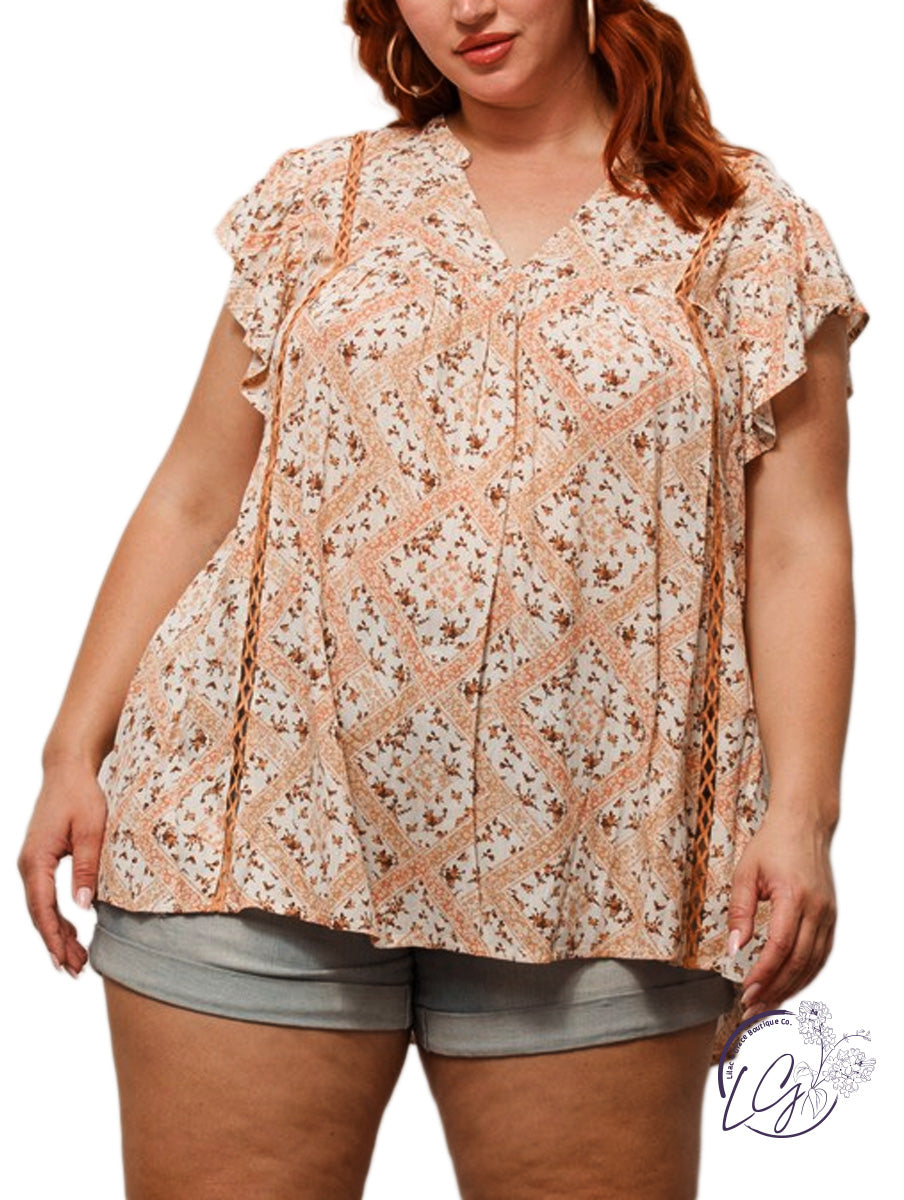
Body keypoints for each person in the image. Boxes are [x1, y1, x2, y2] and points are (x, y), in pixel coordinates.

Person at [17, 1, 869, 1196]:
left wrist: (802, 816)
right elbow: (195, 492)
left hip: (606, 860)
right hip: (250, 831)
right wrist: (71, 751)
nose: (465, 8)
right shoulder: (320, 200)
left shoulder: (745, 229)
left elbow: (798, 547)